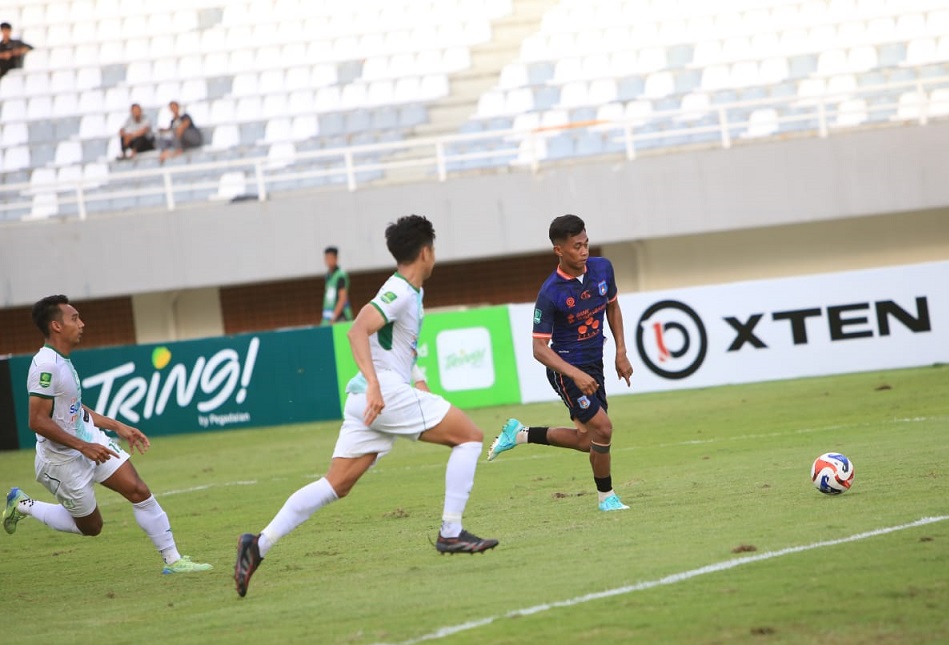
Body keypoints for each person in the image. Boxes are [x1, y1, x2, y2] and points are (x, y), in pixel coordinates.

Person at [234, 215, 498, 598]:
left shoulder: (409, 291)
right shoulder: (400, 290)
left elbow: (396, 345)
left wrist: (416, 379)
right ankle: (451, 532)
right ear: (426, 252)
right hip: (380, 394)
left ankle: (257, 545)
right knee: (470, 437)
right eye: (434, 249)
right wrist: (376, 384)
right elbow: (357, 329)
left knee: (335, 485)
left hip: (367, 399)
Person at [2, 295, 213, 575]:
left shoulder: (62, 361)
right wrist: (83, 447)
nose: (82, 323)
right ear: (56, 326)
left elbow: (72, 408)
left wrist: (116, 426)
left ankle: (173, 561)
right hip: (61, 461)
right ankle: (24, 504)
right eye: (74, 318)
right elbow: (37, 421)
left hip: (89, 440)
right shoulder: (45, 366)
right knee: (92, 527)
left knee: (138, 490)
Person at [487, 214, 634, 512]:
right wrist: (574, 375)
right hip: (566, 370)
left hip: (594, 365)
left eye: (586, 243)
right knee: (604, 429)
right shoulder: (550, 292)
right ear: (559, 250)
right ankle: (606, 498)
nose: (584, 251)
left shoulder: (603, 269)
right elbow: (539, 349)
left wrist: (621, 351)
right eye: (577, 246)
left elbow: (613, 307)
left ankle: (520, 434)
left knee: (587, 441)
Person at [320, 245, 354, 325]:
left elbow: (342, 298)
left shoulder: (340, 276)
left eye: (331, 258)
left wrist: (333, 317)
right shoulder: (328, 276)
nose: (328, 261)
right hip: (327, 318)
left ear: (336, 258)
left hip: (340, 318)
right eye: (327, 258)